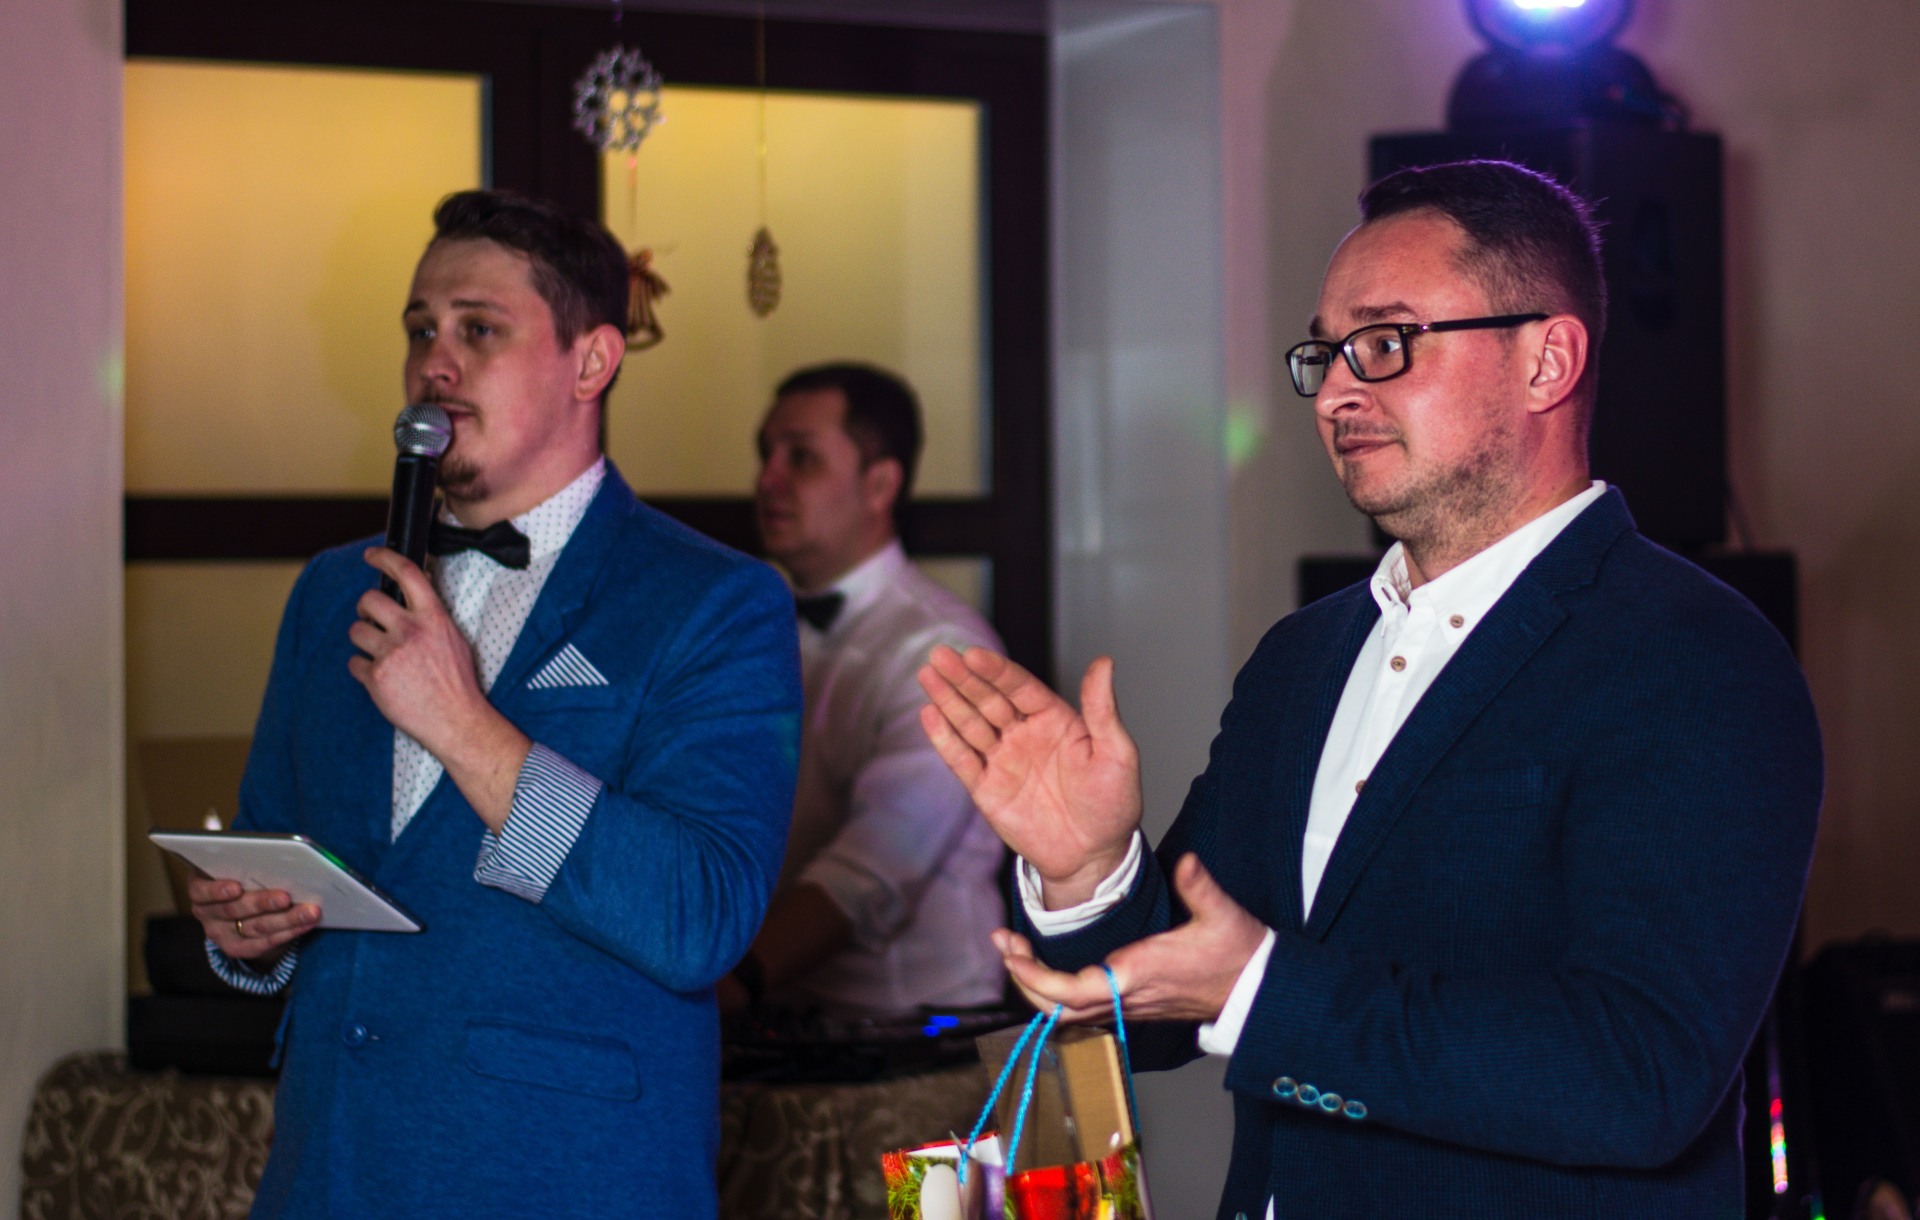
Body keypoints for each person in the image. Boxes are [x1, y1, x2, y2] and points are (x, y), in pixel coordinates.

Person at [917, 160, 1823, 1216]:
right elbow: (1163, 1012)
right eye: (1325, 353)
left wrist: (1264, 991)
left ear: (1547, 360)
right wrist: (1089, 871)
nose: (1339, 392)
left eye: (1386, 343)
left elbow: (1639, 1077)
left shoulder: (1696, 657)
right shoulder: (1303, 656)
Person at [186, 190, 801, 1218]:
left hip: (563, 1180)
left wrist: (463, 726)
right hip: (329, 1173)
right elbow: (275, 846)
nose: (436, 361)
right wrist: (246, 934)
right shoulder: (333, 590)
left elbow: (700, 914)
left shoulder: (714, 601)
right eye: (420, 330)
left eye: (479, 330)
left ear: (591, 362)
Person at [727, 362, 1005, 1019]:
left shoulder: (944, 650)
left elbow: (870, 872)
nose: (768, 480)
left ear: (880, 484)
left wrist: (729, 987)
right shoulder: (746, 626)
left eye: (801, 458)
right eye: (766, 455)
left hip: (918, 1029)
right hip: (776, 1022)